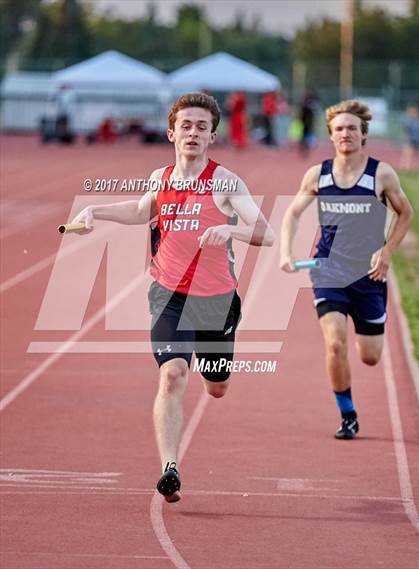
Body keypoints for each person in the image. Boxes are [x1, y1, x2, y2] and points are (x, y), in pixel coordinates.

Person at [70, 93, 274, 500]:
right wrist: (95, 210)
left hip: (216, 300)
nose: (193, 132)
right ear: (171, 133)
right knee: (173, 374)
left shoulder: (226, 182)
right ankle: (170, 467)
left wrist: (230, 230)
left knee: (216, 387)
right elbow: (143, 209)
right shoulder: (159, 177)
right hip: (169, 294)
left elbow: (266, 233)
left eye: (201, 127)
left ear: (213, 136)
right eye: (186, 125)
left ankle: (212, 370)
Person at [280, 99, 413, 439]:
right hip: (328, 272)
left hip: (369, 277)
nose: (345, 134)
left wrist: (386, 252)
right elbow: (292, 213)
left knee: (369, 356)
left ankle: (363, 329)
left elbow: (405, 213)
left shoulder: (380, 174)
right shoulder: (318, 175)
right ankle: (348, 414)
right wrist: (286, 251)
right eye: (339, 128)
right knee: (335, 344)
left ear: (363, 133)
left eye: (352, 128)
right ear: (331, 134)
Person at [400, 105, 419, 170]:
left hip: (417, 140)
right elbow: (405, 131)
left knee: (415, 156)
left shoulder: (417, 121)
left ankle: (412, 167)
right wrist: (406, 138)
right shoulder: (408, 121)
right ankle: (405, 167)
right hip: (410, 140)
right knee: (407, 155)